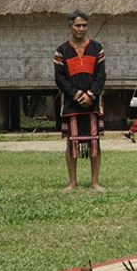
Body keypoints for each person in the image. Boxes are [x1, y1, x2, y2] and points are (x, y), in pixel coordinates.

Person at [54, 10, 106, 191]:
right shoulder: (62, 51)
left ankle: (94, 182)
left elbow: (101, 75)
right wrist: (77, 95)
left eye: (84, 25)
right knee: (71, 141)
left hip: (92, 102)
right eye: (77, 25)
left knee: (95, 142)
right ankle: (72, 182)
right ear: (70, 27)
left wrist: (91, 95)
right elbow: (60, 79)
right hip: (71, 103)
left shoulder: (97, 48)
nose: (81, 29)